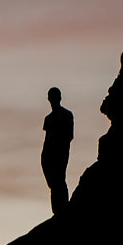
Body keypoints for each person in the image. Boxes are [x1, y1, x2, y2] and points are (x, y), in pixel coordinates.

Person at [41, 87, 74, 216]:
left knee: (59, 181)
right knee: (53, 184)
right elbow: (47, 138)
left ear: (59, 98)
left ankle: (62, 209)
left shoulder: (67, 115)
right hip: (48, 154)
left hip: (60, 153)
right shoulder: (48, 119)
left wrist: (60, 149)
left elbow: (69, 136)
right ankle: (57, 211)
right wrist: (44, 155)